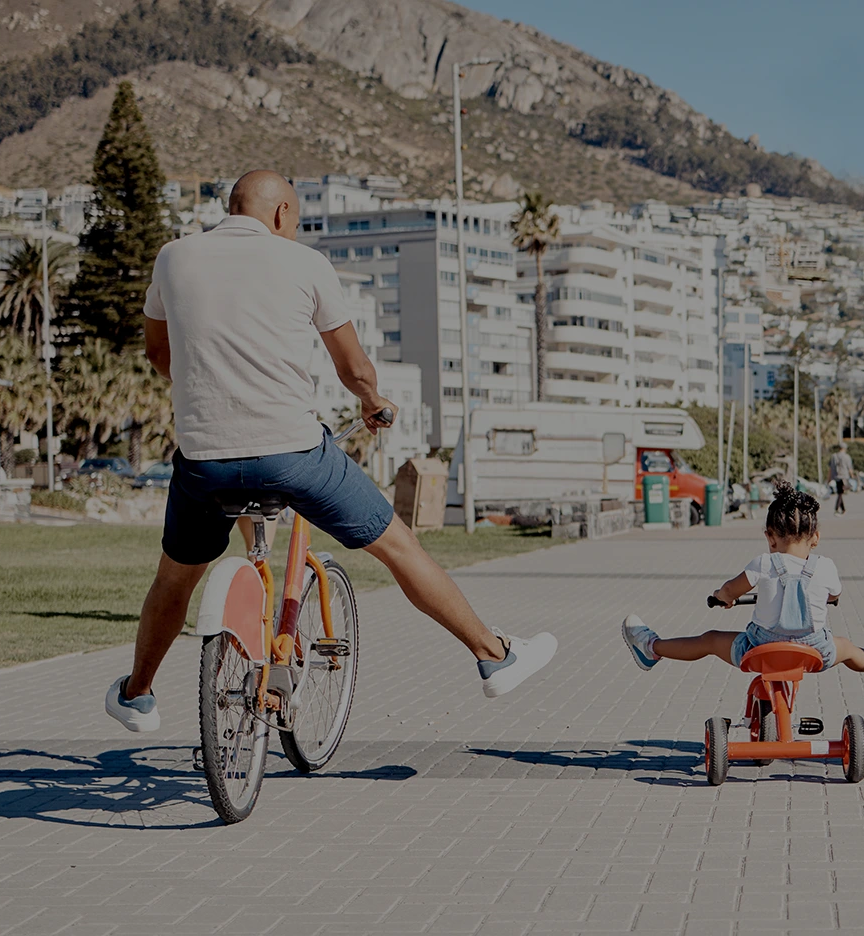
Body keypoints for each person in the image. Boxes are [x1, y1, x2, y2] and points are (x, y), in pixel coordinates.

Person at [105, 170, 556, 733]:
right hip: (294, 452)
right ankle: (494, 656)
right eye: (294, 219)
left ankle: (138, 693)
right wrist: (372, 401)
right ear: (280, 215)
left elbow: (158, 352)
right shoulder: (305, 264)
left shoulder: (173, 257)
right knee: (399, 547)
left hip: (205, 458)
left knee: (175, 577)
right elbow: (354, 368)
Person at [619, 482, 864, 686]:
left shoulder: (762, 564)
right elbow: (835, 594)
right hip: (813, 653)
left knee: (708, 640)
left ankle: (651, 648)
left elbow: (729, 590)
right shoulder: (825, 566)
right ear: (816, 538)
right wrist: (826, 598)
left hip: (759, 650)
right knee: (848, 648)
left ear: (770, 537)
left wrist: (724, 597)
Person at [828, 444, 855, 514]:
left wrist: (829, 478)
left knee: (840, 492)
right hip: (844, 476)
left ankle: (843, 509)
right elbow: (849, 468)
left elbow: (831, 468)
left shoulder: (834, 456)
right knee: (840, 492)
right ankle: (836, 508)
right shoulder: (847, 457)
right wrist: (852, 475)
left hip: (836, 476)